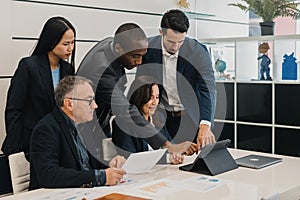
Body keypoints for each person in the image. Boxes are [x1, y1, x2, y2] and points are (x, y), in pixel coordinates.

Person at [77, 23, 195, 155]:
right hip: (84, 129)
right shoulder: (102, 70)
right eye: (135, 56)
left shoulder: (113, 44)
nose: (139, 62)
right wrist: (167, 145)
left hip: (97, 125)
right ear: (118, 48)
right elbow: (125, 110)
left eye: (142, 56)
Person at [137, 9, 217, 150]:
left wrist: (205, 124)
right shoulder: (148, 49)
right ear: (161, 32)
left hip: (192, 118)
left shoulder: (198, 51)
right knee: (166, 163)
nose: (175, 47)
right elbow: (142, 85)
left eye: (180, 41)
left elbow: (208, 88)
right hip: (162, 119)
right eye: (171, 42)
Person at [29, 75, 126, 190]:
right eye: (89, 101)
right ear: (69, 104)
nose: (95, 106)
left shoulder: (84, 127)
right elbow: (48, 175)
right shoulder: (46, 129)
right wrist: (101, 177)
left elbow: (90, 165)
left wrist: (110, 165)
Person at [2, 16, 76, 156]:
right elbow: (14, 110)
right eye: (66, 44)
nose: (70, 48)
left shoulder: (67, 69)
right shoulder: (29, 67)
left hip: (57, 143)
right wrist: (17, 148)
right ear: (52, 42)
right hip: (29, 143)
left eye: (72, 42)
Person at [112, 76, 193, 164]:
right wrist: (166, 159)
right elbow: (130, 159)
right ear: (139, 97)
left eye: (157, 97)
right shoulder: (122, 123)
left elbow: (171, 147)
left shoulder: (159, 117)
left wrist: (175, 155)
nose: (155, 103)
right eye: (150, 98)